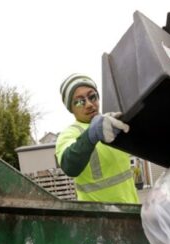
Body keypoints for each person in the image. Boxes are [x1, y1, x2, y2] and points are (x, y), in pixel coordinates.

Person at [56, 73, 139, 203]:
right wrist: (90, 136)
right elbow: (69, 165)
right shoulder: (69, 134)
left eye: (92, 97)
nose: (89, 104)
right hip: (99, 218)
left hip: (132, 211)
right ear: (71, 109)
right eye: (79, 102)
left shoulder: (113, 123)